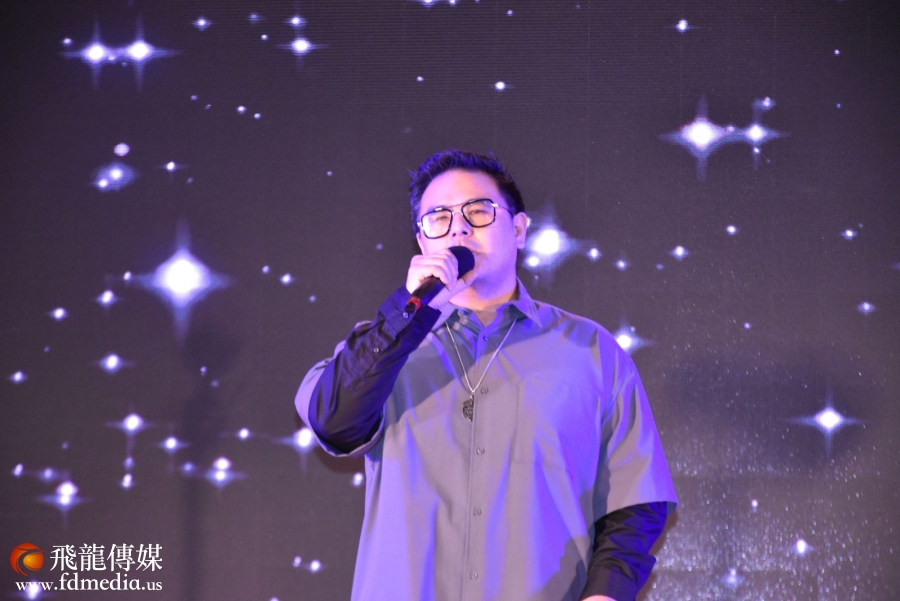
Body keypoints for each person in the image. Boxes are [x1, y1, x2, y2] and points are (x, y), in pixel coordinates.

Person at [295, 150, 678, 601]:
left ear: (518, 229)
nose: (458, 228)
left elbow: (636, 502)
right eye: (438, 218)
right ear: (421, 243)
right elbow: (332, 420)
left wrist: (605, 594)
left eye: (477, 211)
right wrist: (406, 314)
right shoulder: (381, 346)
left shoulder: (591, 352)